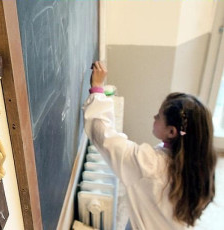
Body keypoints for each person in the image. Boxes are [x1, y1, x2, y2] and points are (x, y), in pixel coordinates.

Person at [83, 61, 217, 230]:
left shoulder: (150, 165)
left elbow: (103, 135)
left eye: (159, 116)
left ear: (172, 132)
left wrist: (97, 88)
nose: (154, 117)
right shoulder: (197, 166)